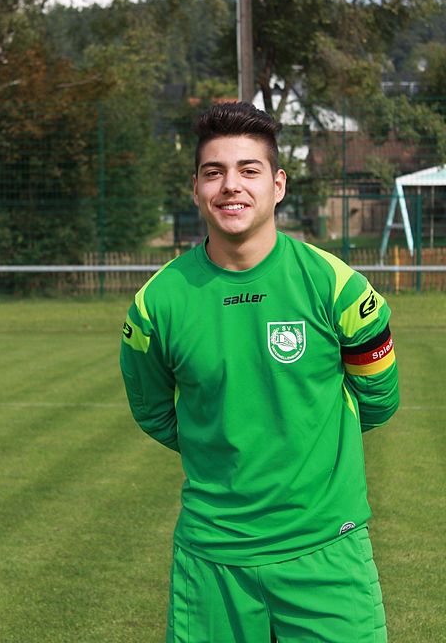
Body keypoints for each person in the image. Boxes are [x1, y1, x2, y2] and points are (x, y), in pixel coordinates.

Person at [120, 101, 399, 643]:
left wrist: (304, 446)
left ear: (278, 184)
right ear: (195, 188)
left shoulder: (338, 287)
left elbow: (379, 399)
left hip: (325, 549)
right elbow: (152, 411)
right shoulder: (156, 304)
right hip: (213, 560)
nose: (231, 185)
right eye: (214, 172)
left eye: (248, 170)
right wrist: (225, 447)